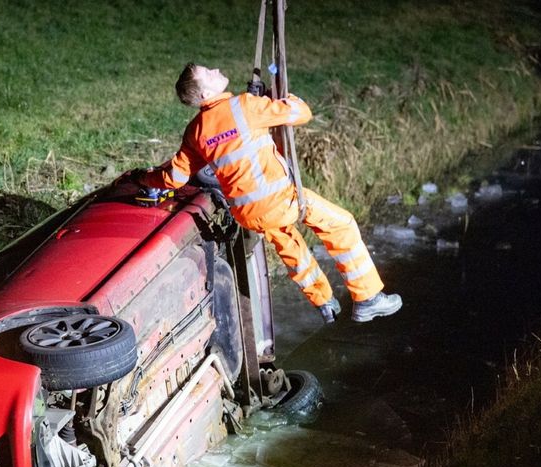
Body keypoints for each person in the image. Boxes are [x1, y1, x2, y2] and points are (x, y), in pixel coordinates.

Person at [138, 63, 401, 323]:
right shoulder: (245, 106)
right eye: (208, 73)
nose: (216, 69)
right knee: (342, 225)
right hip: (280, 200)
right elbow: (301, 113)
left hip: (249, 213)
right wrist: (282, 98)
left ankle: (324, 302)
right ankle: (368, 298)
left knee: (290, 246)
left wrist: (145, 178)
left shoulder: (195, 130)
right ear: (205, 94)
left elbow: (175, 177)